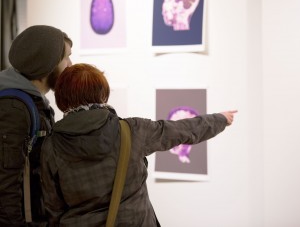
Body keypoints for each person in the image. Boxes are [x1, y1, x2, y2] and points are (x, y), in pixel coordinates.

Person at [40, 63, 237, 227]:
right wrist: (219, 119)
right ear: (102, 95)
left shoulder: (51, 146)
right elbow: (182, 130)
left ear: (62, 99)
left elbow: (53, 209)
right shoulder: (131, 130)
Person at [0, 25, 73, 227]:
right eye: (66, 58)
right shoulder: (13, 109)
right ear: (47, 63)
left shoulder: (31, 101)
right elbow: (5, 183)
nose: (71, 64)